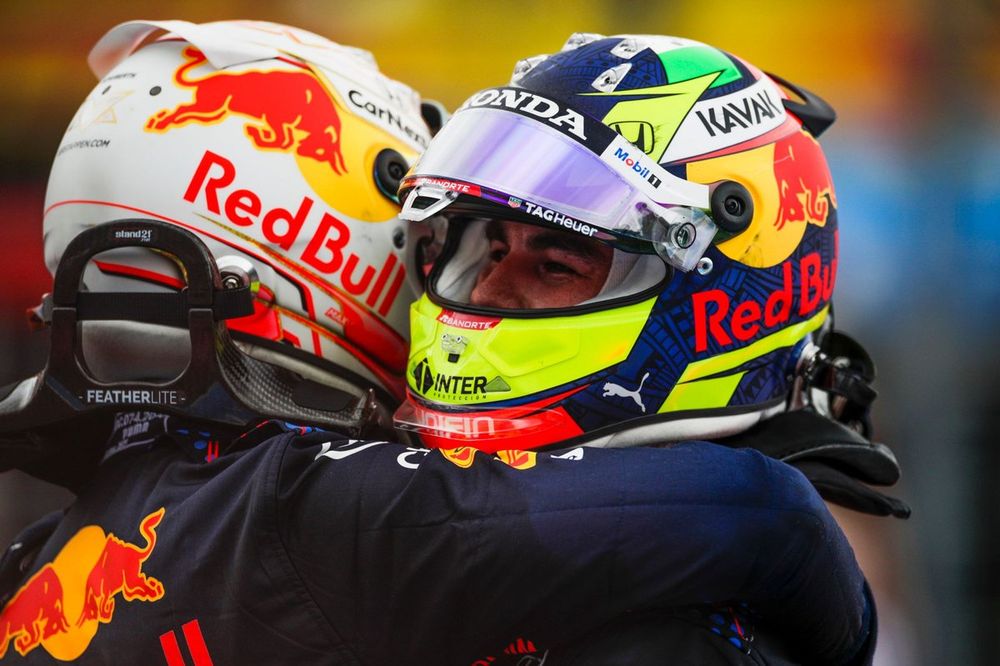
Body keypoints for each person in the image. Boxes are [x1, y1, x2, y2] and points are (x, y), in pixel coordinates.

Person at [0, 21, 890, 665]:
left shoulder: (67, 528)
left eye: (553, 263)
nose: (483, 294)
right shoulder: (302, 507)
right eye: (477, 249)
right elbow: (749, 515)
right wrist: (810, 545)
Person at [394, 32, 910, 664]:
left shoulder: (679, 641)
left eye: (554, 266)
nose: (490, 289)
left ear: (711, 299)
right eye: (493, 250)